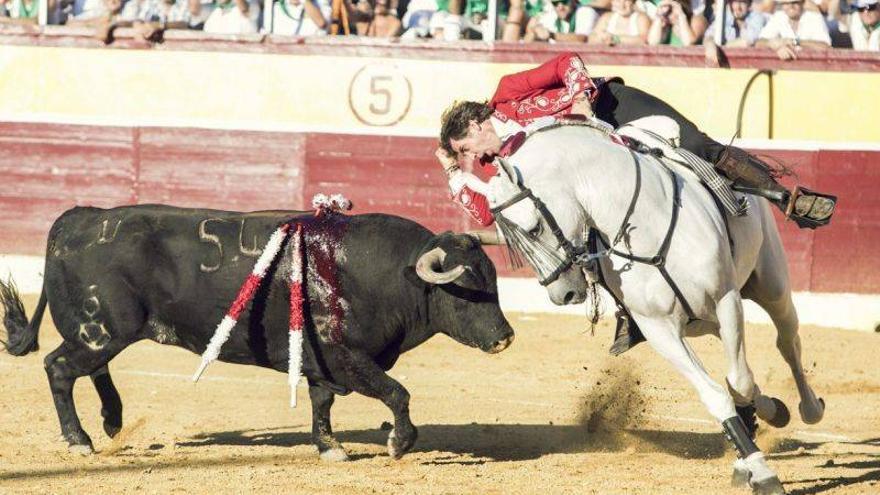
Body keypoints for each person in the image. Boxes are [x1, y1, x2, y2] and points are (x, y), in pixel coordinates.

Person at [434, 52, 836, 353]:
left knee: (696, 145)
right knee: (579, 239)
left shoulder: (506, 93)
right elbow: (489, 212)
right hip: (599, 172)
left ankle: (787, 199)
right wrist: (454, 173)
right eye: (466, 157)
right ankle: (630, 311)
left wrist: (580, 100)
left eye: (466, 149)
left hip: (614, 109)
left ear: (475, 124)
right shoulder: (503, 161)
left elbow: (566, 62)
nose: (475, 159)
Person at [756, 0, 831, 59]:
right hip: (785, 69)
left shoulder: (814, 18)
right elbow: (759, 43)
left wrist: (795, 42)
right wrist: (775, 46)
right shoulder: (778, 17)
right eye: (786, 3)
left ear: (802, 3)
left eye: (794, 2)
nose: (790, 6)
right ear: (782, 5)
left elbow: (825, 47)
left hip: (812, 67)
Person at [703, 0, 768, 65]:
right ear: (729, 3)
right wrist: (710, 45)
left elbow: (746, 42)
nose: (738, 7)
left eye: (743, 2)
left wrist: (721, 47)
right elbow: (709, 35)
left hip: (751, 64)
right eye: (735, 2)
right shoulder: (724, 17)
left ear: (749, 4)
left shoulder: (757, 17)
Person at [525, 0, 589, 41]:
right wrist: (536, 30)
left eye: (564, 2)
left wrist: (552, 35)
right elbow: (531, 29)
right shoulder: (551, 14)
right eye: (555, 3)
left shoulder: (585, 11)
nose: (560, 7)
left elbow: (582, 39)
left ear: (574, 1)